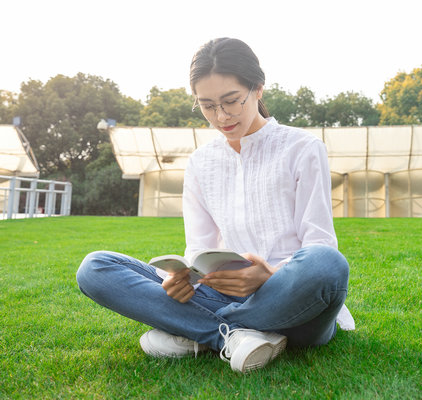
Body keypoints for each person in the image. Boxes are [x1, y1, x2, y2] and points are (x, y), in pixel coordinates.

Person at [76, 37, 354, 373]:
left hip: (291, 297)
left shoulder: (302, 148)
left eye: (231, 101)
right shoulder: (200, 163)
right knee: (96, 268)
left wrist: (268, 276)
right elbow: (198, 251)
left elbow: (320, 244)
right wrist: (180, 279)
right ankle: (230, 336)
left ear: (258, 89)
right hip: (222, 293)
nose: (221, 116)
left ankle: (194, 331)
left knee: (327, 264)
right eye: (207, 106)